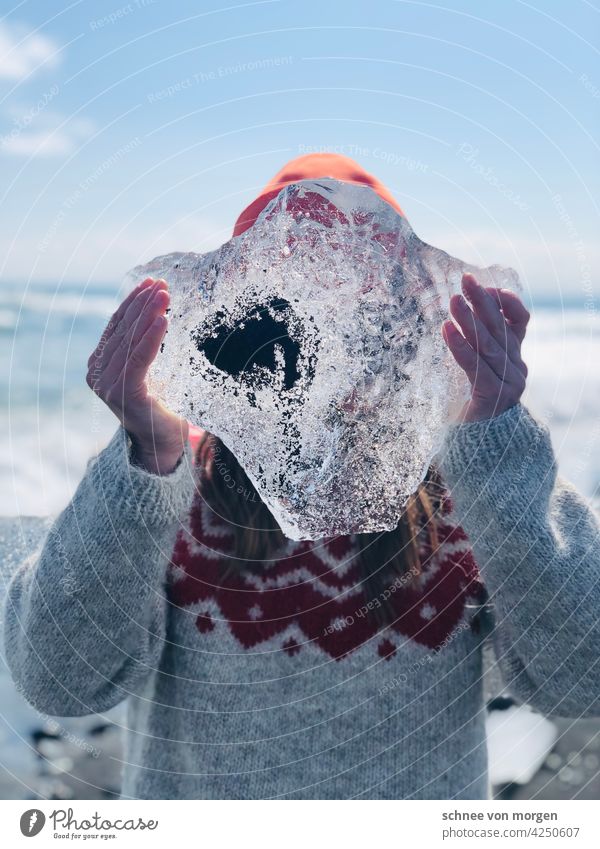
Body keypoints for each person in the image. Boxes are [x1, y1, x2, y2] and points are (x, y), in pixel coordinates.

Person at [4, 154, 599, 800]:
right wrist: (146, 452)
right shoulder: (167, 488)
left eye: (365, 316)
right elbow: (61, 678)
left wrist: (496, 437)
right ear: (234, 331)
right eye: (282, 319)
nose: (325, 359)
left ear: (408, 329)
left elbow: (583, 673)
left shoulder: (472, 494)